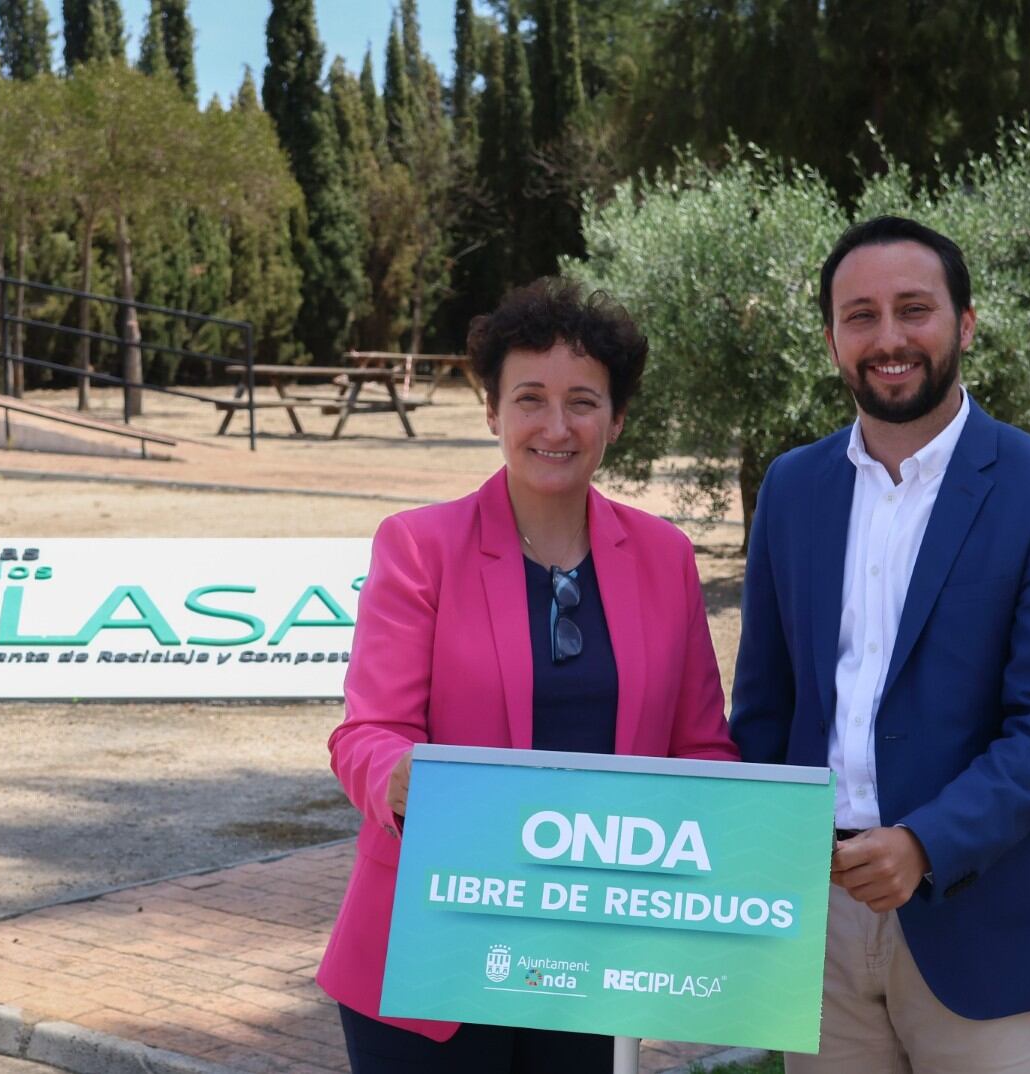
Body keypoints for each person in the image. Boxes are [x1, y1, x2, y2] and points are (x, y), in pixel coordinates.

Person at [317, 279, 740, 1072]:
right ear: (492, 412)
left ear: (616, 419)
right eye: (529, 399)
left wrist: (727, 843)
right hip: (427, 956)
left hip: (590, 962)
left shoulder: (665, 557)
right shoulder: (418, 547)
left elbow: (701, 749)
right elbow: (365, 733)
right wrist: (398, 773)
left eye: (582, 401)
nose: (555, 426)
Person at [730, 216, 1030, 1073]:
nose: (889, 337)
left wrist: (925, 844)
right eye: (860, 315)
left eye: (915, 309)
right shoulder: (792, 489)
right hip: (820, 915)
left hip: (983, 907)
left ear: (965, 324)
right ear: (833, 337)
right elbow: (765, 706)